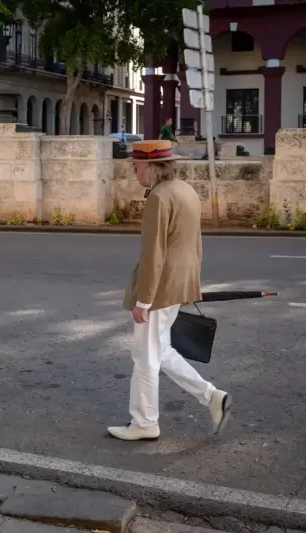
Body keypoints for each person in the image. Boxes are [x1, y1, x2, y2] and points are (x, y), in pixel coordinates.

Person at [107, 140, 231, 441]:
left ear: (151, 167)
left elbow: (154, 254)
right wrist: (191, 285)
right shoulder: (186, 190)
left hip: (160, 287)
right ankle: (212, 397)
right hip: (179, 281)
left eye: (136, 166)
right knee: (160, 350)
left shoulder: (159, 199)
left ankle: (145, 423)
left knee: (145, 355)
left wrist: (144, 300)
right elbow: (195, 244)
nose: (135, 172)